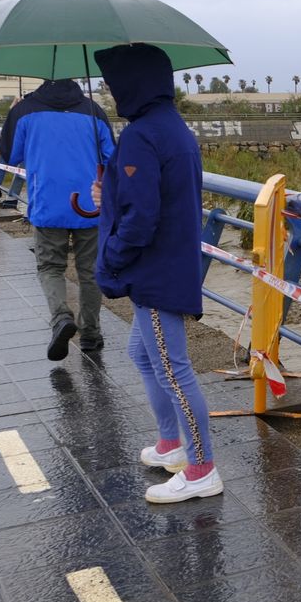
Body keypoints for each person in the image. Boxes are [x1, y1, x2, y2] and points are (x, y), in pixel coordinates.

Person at [92, 44, 222, 504]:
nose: (109, 92)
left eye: (113, 83)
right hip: (171, 261)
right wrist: (110, 187)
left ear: (134, 83)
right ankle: (172, 445)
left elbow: (140, 216)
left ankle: (202, 467)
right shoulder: (172, 129)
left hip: (156, 270)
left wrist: (109, 261)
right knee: (144, 355)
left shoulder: (143, 135)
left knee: (172, 367)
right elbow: (148, 196)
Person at [0, 79, 115, 360]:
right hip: (89, 205)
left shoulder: (24, 111)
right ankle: (90, 334)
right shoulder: (94, 110)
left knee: (50, 267)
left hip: (47, 205)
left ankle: (61, 317)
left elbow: (9, 156)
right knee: (90, 272)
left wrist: (12, 114)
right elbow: (112, 156)